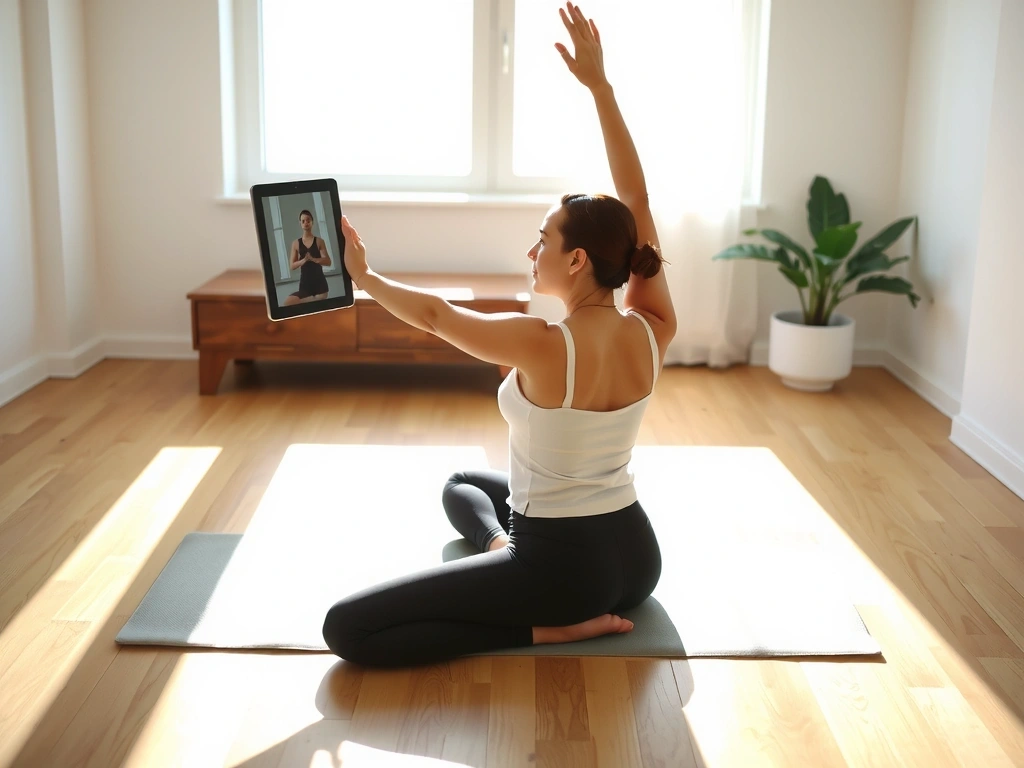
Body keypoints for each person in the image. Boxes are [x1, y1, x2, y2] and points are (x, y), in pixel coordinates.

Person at [322, 2, 676, 668]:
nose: (532, 250)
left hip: (562, 574)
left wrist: (365, 277)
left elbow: (434, 316)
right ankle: (498, 552)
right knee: (463, 483)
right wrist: (601, 89)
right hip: (637, 558)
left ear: (575, 260)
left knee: (347, 628)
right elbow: (640, 201)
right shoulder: (653, 328)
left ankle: (549, 631)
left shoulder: (541, 344)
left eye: (543, 240)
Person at [282, 209, 331, 305]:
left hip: (320, 286)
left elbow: (328, 261)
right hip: (305, 286)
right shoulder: (296, 243)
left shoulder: (319, 241)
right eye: (303, 221)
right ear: (300, 223)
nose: (306, 223)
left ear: (312, 222)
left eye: (308, 220)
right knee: (288, 303)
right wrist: (304, 260)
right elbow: (292, 266)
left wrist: (314, 259)